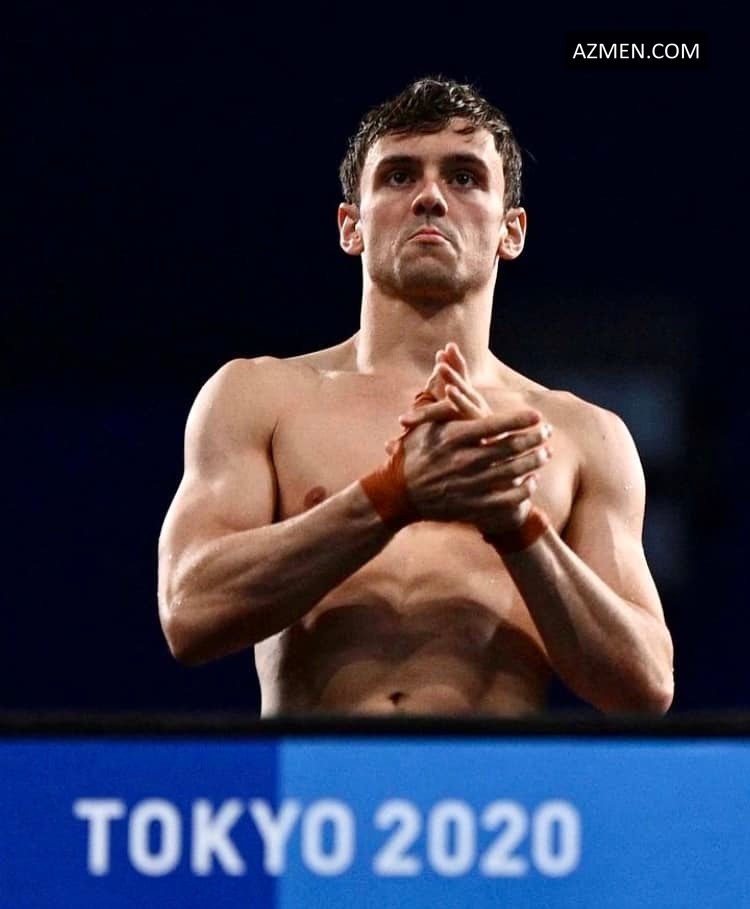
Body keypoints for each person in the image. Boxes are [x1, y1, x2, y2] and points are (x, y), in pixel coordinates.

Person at [157, 76, 674, 716]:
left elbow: (645, 685)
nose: (430, 196)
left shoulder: (583, 435)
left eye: (464, 177)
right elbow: (189, 613)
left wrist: (517, 525)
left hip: (485, 780)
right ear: (351, 225)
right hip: (319, 777)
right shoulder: (257, 397)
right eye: (400, 176)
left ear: (511, 231)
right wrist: (391, 495)